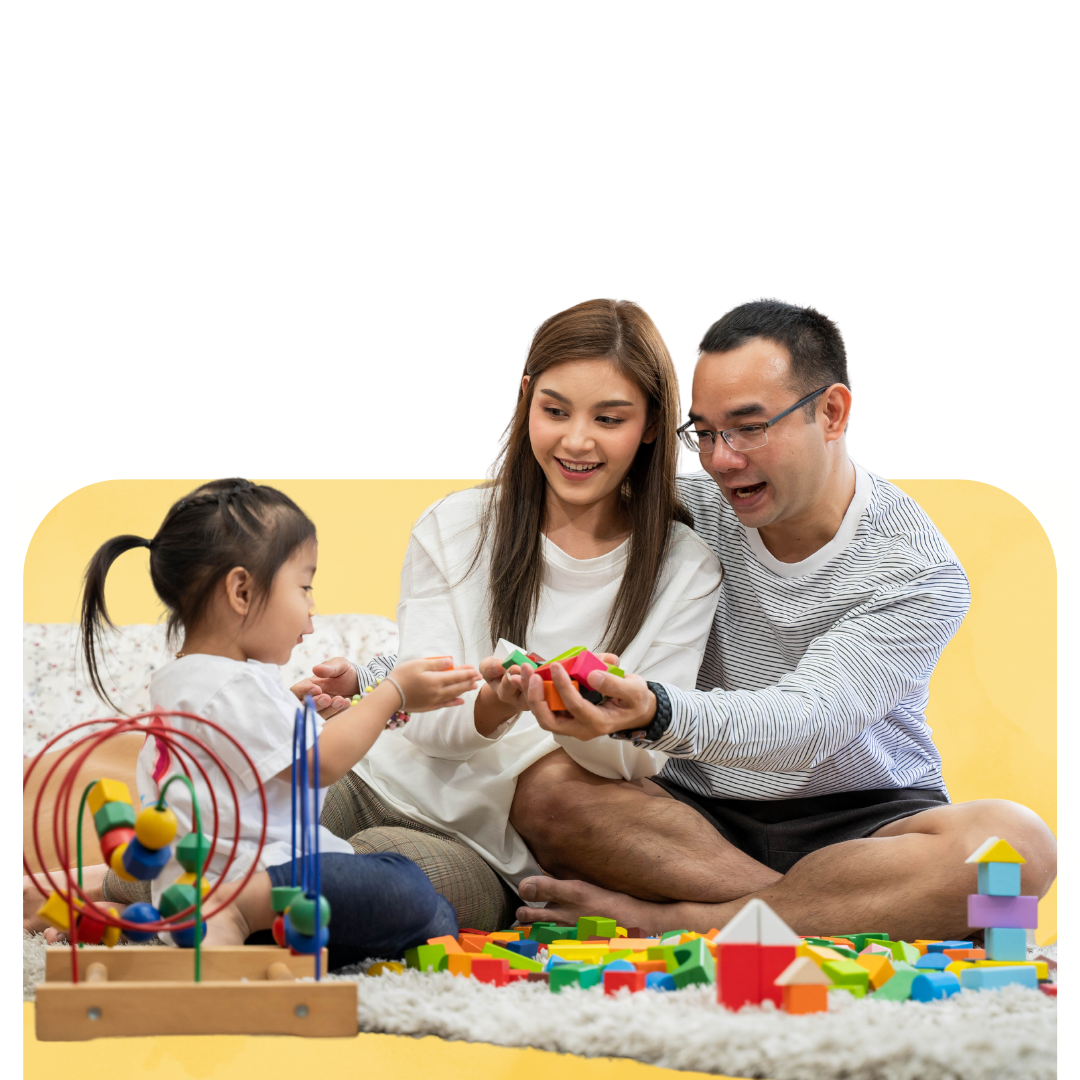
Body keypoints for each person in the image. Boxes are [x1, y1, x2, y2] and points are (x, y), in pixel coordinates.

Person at [506, 297, 1057, 942]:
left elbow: (812, 722)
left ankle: (673, 923)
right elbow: (509, 586)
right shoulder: (684, 513)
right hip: (688, 819)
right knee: (543, 789)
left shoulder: (914, 565)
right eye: (704, 433)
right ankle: (855, 913)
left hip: (863, 822)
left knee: (1017, 847)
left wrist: (659, 712)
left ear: (832, 411)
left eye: (749, 427)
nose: (722, 459)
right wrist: (385, 680)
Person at [293, 297, 723, 923]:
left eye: (610, 418)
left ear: (652, 424)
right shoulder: (458, 526)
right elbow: (422, 718)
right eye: (554, 411)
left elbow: (639, 760)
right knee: (201, 864)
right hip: (372, 778)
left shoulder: (685, 566)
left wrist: (583, 718)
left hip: (485, 849)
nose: (577, 441)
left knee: (341, 892)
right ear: (526, 399)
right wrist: (496, 706)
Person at [37, 478, 476, 967]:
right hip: (259, 881)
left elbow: (236, 764)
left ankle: (173, 927)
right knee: (406, 887)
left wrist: (294, 712)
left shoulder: (194, 686)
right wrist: (394, 691)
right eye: (304, 587)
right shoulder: (231, 687)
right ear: (242, 590)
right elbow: (323, 766)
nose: (311, 615)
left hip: (208, 889)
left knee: (433, 921)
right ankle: (237, 911)